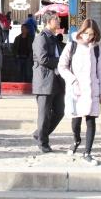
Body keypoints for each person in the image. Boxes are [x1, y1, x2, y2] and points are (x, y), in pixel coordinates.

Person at [58, 18, 101, 166]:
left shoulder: (96, 48)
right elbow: (62, 66)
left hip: (92, 89)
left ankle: (88, 152)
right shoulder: (72, 45)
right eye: (86, 33)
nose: (88, 37)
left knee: (91, 121)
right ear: (81, 32)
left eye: (91, 34)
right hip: (76, 89)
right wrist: (72, 80)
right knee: (76, 121)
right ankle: (76, 139)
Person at [31, 11, 65, 153]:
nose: (58, 21)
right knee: (44, 114)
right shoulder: (41, 38)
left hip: (57, 80)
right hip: (45, 81)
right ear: (48, 21)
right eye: (56, 19)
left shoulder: (55, 38)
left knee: (59, 112)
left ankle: (39, 133)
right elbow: (43, 59)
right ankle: (43, 142)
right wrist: (61, 61)